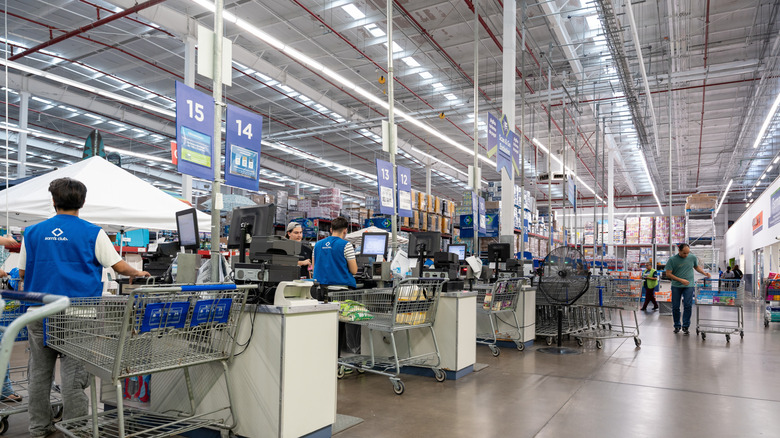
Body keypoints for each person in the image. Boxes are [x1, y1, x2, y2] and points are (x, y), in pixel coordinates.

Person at [20, 177, 150, 438]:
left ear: (53, 200)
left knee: (39, 375)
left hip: (39, 312)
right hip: (79, 313)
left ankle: (38, 428)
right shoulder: (93, 232)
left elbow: (23, 271)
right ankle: (75, 429)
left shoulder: (32, 233)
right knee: (74, 376)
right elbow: (119, 267)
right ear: (82, 202)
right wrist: (140, 271)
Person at [664, 243, 710, 335]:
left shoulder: (692, 257)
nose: (686, 255)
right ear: (679, 251)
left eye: (687, 253)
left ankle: (686, 326)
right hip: (676, 286)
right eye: (684, 253)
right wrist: (680, 280)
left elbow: (696, 267)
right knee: (676, 306)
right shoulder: (672, 260)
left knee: (688, 305)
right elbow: (668, 274)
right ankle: (677, 325)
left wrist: (704, 273)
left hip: (689, 286)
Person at [312, 216, 357, 290]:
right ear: (345, 230)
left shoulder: (317, 244)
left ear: (331, 230)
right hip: (340, 288)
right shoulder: (346, 245)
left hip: (319, 288)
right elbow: (354, 270)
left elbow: (314, 268)